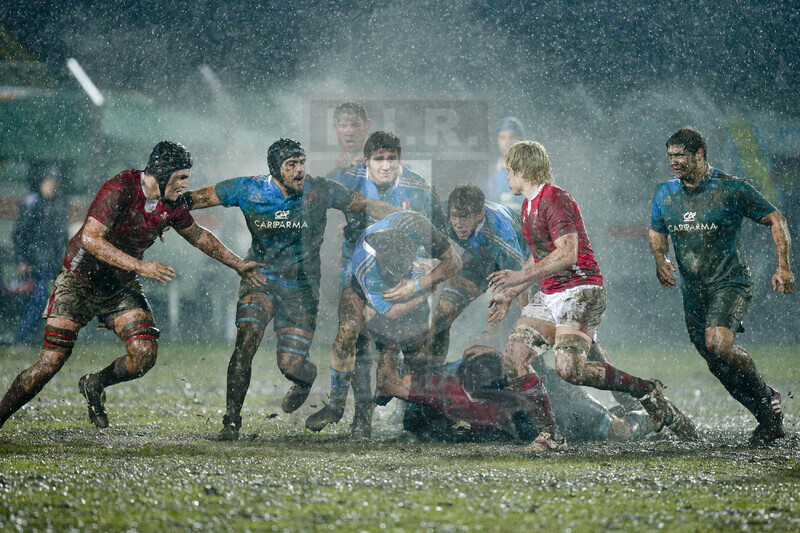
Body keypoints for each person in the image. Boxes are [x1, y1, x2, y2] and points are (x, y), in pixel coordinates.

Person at [0, 141, 266, 430]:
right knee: (49, 364)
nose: (185, 184)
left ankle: (94, 383)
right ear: (162, 173)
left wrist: (238, 264)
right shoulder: (121, 187)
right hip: (79, 281)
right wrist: (141, 266)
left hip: (119, 285)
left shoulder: (172, 203)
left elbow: (199, 236)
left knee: (144, 355)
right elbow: (90, 239)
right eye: (180, 177)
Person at [487, 141, 697, 449]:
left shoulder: (555, 198)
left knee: (570, 370)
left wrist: (520, 277)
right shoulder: (528, 207)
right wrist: (511, 292)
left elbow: (568, 253)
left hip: (580, 290)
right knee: (514, 358)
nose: (507, 177)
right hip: (551, 294)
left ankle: (646, 391)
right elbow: (539, 256)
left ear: (523, 171)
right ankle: (550, 436)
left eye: (509, 170)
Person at [183, 138, 396, 441]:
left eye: (302, 163)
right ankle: (231, 423)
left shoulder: (319, 190)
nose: (299, 170)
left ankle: (305, 379)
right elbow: (193, 200)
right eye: (291, 165)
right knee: (246, 339)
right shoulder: (249, 189)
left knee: (291, 366)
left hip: (301, 289)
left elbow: (366, 204)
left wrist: (406, 218)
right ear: (274, 169)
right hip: (261, 278)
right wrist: (162, 212)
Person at [649, 126, 794, 444]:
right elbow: (657, 230)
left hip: (730, 282)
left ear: (700, 154)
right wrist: (660, 259)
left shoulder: (730, 188)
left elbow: (776, 219)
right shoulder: (664, 193)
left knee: (718, 344)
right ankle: (768, 418)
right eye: (670, 156)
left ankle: (766, 394)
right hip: (693, 291)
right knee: (717, 364)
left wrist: (783, 266)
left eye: (680, 155)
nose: (674, 162)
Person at [327, 130, 448, 435]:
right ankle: (360, 417)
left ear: (399, 159)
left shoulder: (420, 189)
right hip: (359, 274)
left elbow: (441, 238)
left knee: (417, 347)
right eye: (378, 159)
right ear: (366, 161)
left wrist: (423, 270)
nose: (385, 165)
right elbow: (312, 197)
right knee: (354, 334)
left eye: (391, 158)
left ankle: (416, 416)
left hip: (404, 276)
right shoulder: (346, 179)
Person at [305, 210, 461, 438]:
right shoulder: (366, 265)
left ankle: (414, 409)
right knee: (349, 332)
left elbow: (454, 263)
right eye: (394, 273)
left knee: (416, 354)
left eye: (403, 270)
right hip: (361, 288)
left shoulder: (417, 226)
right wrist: (423, 290)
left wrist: (417, 284)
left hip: (412, 280)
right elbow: (390, 312)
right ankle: (338, 406)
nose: (398, 276)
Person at [377, 345, 655, 444]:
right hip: (531, 414)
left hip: (558, 401)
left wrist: (387, 345)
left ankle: (652, 415)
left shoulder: (532, 391)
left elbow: (389, 383)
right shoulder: (449, 386)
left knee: (619, 432)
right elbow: (391, 384)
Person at [428, 183, 528, 364]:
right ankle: (433, 373)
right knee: (442, 314)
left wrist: (524, 315)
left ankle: (533, 371)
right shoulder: (442, 213)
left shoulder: (501, 236)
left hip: (521, 265)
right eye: (455, 216)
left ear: (480, 214)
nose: (459, 224)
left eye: (465, 217)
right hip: (481, 258)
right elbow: (418, 234)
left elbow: (522, 277)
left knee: (527, 324)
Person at [11, 162, 69, 346]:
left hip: (53, 260)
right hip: (37, 260)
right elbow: (20, 234)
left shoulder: (57, 203)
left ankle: (38, 336)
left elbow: (61, 235)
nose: (52, 185)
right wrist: (22, 259)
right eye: (49, 181)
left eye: (54, 182)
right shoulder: (33, 202)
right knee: (41, 298)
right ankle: (21, 336)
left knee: (51, 299)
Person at [483, 117, 525, 209]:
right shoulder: (488, 173)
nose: (507, 142)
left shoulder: (533, 173)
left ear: (520, 140)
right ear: (497, 140)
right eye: (503, 137)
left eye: (512, 137)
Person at [330, 101, 371, 172]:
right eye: (343, 126)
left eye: (355, 125)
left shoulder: (379, 159)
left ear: (366, 126)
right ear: (335, 129)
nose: (349, 132)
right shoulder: (336, 162)